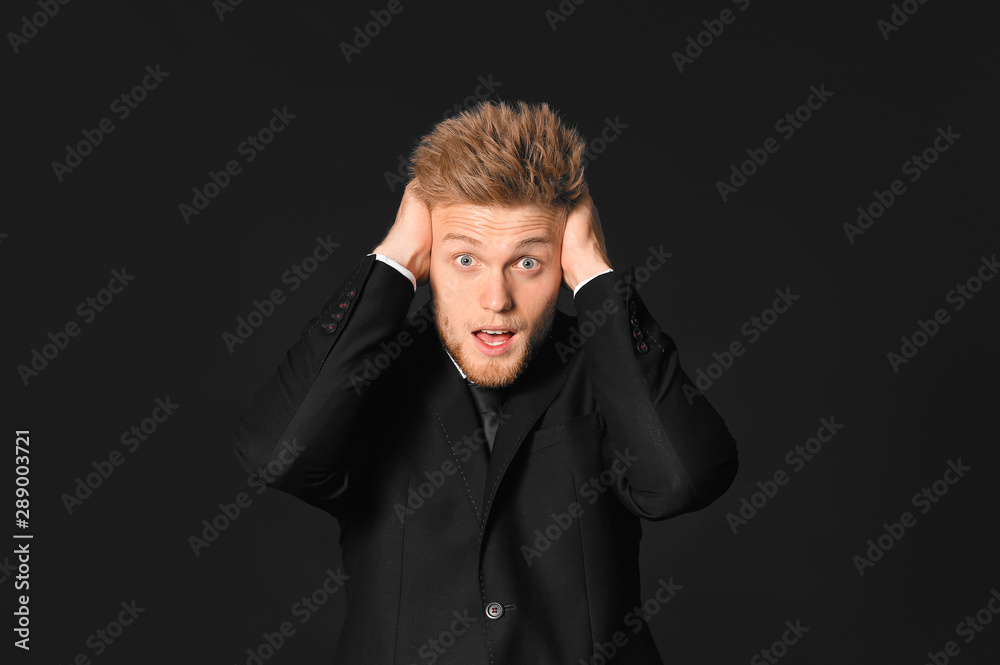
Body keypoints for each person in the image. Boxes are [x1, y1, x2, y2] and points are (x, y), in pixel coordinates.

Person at [233, 100, 739, 664]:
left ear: (561, 264)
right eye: (465, 260)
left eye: (527, 262)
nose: (496, 301)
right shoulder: (371, 379)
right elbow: (278, 453)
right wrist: (393, 259)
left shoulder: (606, 370)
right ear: (430, 260)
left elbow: (682, 479)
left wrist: (596, 275)